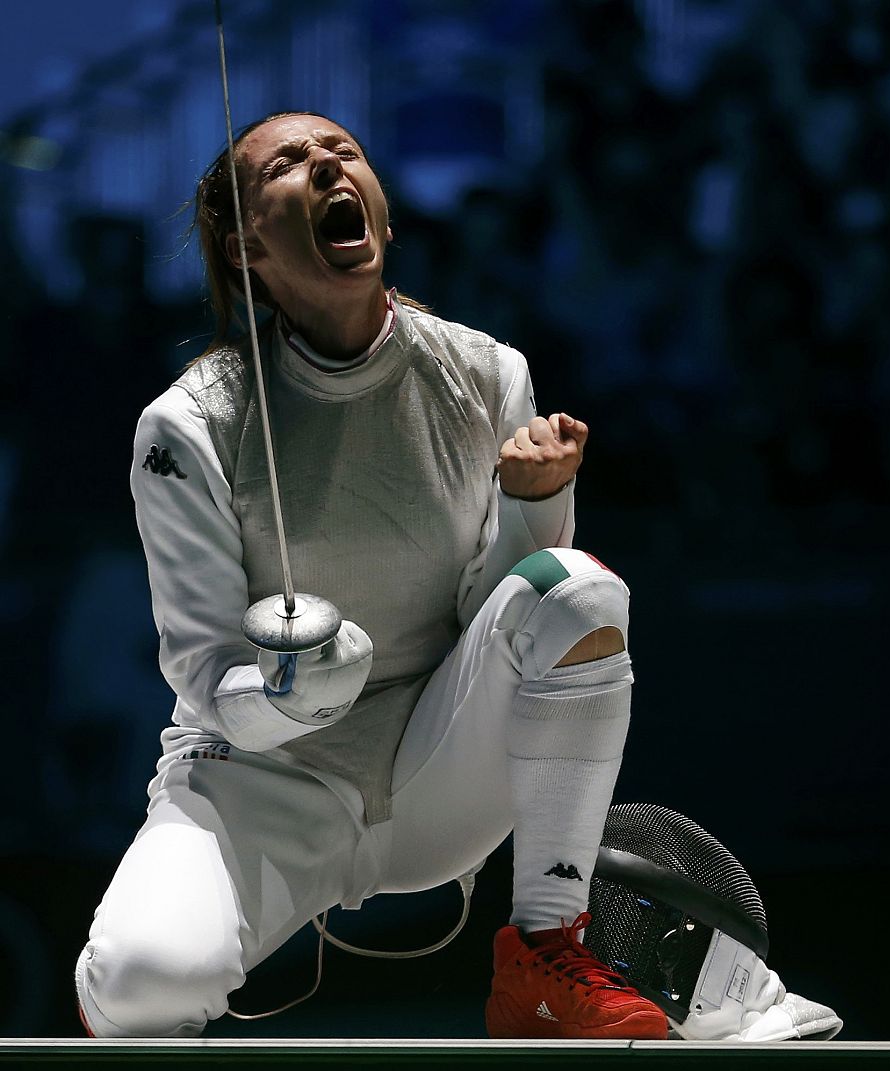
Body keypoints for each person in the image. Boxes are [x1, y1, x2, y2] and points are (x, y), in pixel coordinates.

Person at [74, 111, 669, 1041]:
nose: (325, 164)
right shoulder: (188, 426)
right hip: (261, 780)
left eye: (342, 151)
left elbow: (501, 615)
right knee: (143, 985)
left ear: (383, 218)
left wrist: (534, 503)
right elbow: (202, 672)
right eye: (289, 163)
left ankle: (548, 954)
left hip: (438, 766)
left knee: (581, 587)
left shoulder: (484, 373)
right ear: (243, 244)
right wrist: (293, 696)